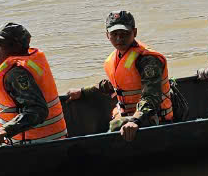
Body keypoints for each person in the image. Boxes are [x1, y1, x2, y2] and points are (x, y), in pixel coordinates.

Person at [68, 11, 173, 142]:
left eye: (124, 34)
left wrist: (135, 120)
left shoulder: (147, 60)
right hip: (128, 117)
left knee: (113, 129)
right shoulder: (117, 56)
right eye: (114, 34)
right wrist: (83, 92)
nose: (119, 39)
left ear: (134, 32)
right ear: (107, 35)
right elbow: (114, 85)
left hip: (150, 119)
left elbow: (151, 96)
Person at [0, 22, 68, 150]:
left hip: (33, 144)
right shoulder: (29, 63)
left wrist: (4, 131)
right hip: (54, 139)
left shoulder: (16, 72)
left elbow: (37, 110)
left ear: (15, 47)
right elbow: (17, 98)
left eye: (0, 46)